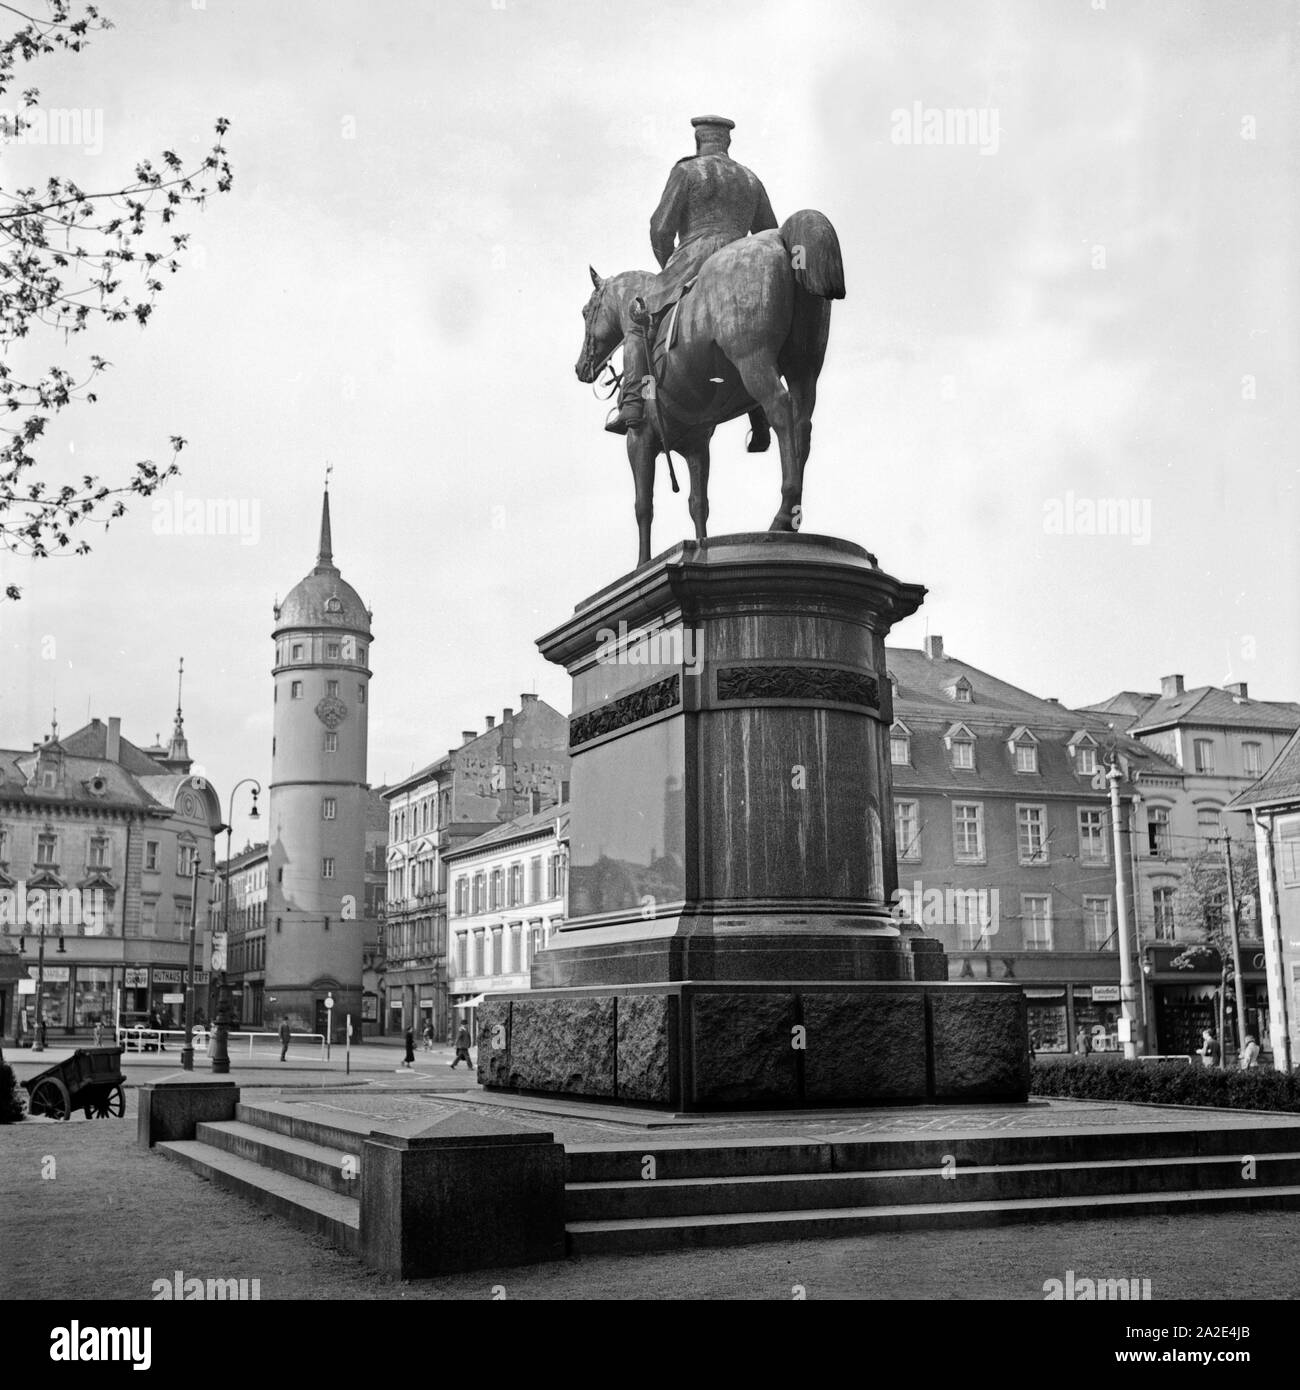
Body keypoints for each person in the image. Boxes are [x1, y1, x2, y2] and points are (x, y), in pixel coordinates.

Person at [605, 115, 777, 441]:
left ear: (699, 142)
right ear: (727, 143)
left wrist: (668, 264)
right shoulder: (750, 179)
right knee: (753, 332)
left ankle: (632, 405)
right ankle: (760, 417)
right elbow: (769, 232)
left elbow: (660, 228)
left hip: (693, 257)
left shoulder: (687, 171)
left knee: (638, 314)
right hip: (742, 260)